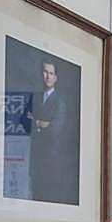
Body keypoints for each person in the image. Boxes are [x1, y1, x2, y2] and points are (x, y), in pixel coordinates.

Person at [27, 58, 78, 205]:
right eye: (45, 72)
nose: (48, 76)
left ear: (56, 77)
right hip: (35, 155)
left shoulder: (59, 102)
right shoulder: (35, 98)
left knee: (47, 193)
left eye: (51, 73)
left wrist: (38, 122)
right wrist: (41, 123)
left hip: (51, 158)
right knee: (35, 191)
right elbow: (26, 121)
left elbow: (56, 128)